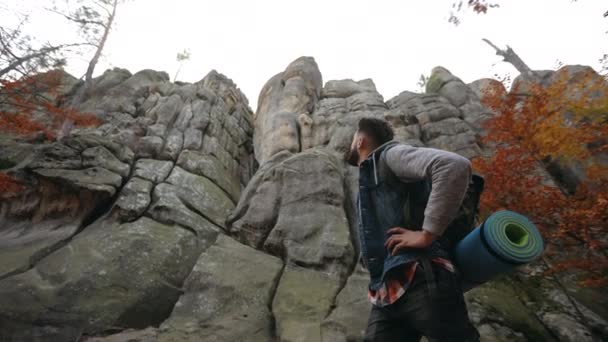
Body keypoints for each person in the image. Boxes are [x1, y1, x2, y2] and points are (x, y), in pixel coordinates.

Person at [345, 117, 480, 342]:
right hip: (387, 292)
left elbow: (453, 165)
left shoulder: (390, 156)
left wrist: (427, 234)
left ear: (360, 141)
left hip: (423, 277)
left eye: (352, 139)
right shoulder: (370, 179)